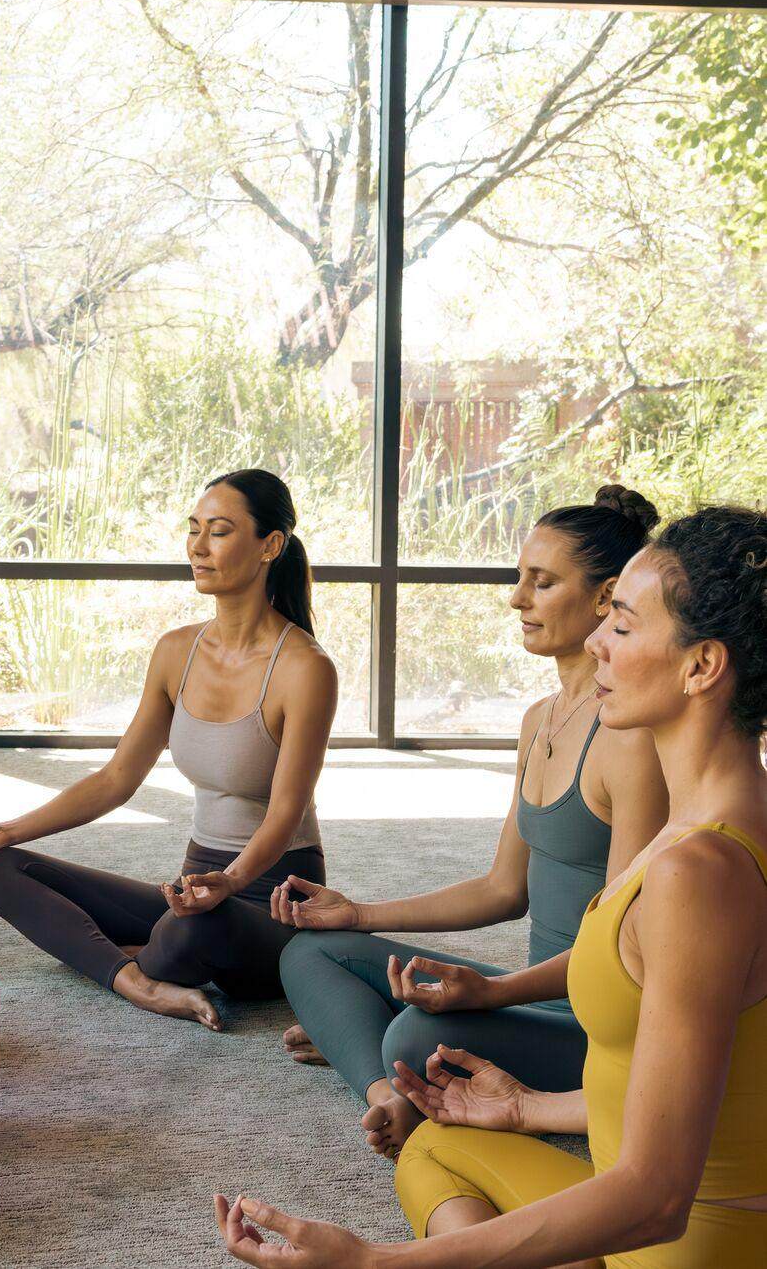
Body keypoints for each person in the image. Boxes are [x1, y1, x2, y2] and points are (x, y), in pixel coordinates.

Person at [213, 503, 767, 1268]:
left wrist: (374, 1262)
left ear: (702, 665)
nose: (598, 640)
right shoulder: (713, 826)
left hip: (684, 1247)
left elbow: (656, 1195)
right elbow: (678, 1090)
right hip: (663, 1205)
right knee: (434, 1145)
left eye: (625, 625)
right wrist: (523, 1107)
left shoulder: (698, 872)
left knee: (431, 1137)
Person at [272, 487, 667, 1159]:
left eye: (542, 582)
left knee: (412, 1034)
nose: (517, 598)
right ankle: (388, 1095)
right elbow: (501, 889)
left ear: (607, 598)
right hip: (534, 992)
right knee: (312, 951)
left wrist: (489, 993)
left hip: (594, 1022)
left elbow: (621, 948)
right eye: (521, 579)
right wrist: (359, 912)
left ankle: (388, 1062)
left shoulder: (629, 737)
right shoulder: (539, 718)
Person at [0, 469, 336, 1030]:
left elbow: (284, 812)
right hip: (193, 888)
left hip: (271, 899)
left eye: (220, 532)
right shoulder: (176, 651)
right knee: (4, 870)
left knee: (187, 930)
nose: (198, 547)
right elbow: (116, 779)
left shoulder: (305, 667)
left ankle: (134, 954)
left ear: (270, 545)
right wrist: (8, 830)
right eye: (194, 529)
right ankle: (137, 980)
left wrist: (229, 881)